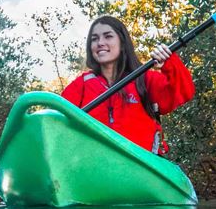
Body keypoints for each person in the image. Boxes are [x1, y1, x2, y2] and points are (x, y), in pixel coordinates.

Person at [61, 15, 195, 155]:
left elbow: (183, 91)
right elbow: (58, 119)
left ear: (122, 43)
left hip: (138, 167)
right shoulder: (81, 84)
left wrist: (169, 62)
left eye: (108, 36)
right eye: (94, 39)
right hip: (95, 166)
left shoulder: (144, 79)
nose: (100, 42)